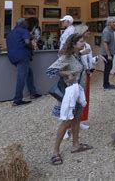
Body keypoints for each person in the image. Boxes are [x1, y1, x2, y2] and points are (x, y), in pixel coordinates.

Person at [46, 33, 93, 165]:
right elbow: (50, 71)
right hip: (68, 95)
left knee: (77, 119)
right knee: (66, 122)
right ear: (73, 44)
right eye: (81, 41)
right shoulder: (66, 57)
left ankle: (75, 144)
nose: (83, 43)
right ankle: (55, 151)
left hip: (77, 93)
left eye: (83, 41)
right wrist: (66, 73)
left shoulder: (77, 55)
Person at [6, 18, 41, 106]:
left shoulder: (11, 32)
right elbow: (26, 42)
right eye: (26, 23)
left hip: (12, 57)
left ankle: (33, 92)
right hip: (22, 56)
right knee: (21, 78)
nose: (27, 24)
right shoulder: (24, 30)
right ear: (22, 24)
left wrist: (31, 36)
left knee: (29, 73)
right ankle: (17, 100)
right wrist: (32, 47)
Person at [74, 24, 99, 131]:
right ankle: (66, 127)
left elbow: (89, 60)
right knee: (73, 100)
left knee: (83, 99)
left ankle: (79, 122)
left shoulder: (87, 45)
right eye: (87, 30)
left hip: (86, 75)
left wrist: (96, 59)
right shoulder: (73, 45)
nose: (89, 32)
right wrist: (81, 53)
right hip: (76, 76)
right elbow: (69, 58)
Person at [100, 18, 115, 90]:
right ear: (109, 23)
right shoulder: (106, 31)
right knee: (107, 68)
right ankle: (106, 85)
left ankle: (106, 83)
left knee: (108, 68)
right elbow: (105, 44)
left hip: (109, 53)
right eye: (113, 22)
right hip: (107, 54)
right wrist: (109, 55)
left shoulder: (110, 30)